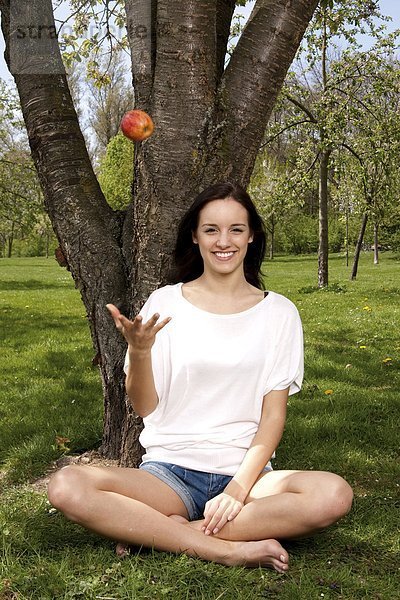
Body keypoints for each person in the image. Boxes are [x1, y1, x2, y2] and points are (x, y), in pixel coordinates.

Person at [48, 182, 353, 573]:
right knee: (67, 485)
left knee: (332, 494)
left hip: (249, 476)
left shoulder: (279, 313)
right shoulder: (165, 303)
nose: (223, 241)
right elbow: (144, 406)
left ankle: (162, 533)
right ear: (195, 235)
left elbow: (272, 419)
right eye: (211, 229)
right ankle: (225, 549)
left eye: (236, 229)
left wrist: (237, 491)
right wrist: (139, 353)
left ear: (251, 235)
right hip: (168, 474)